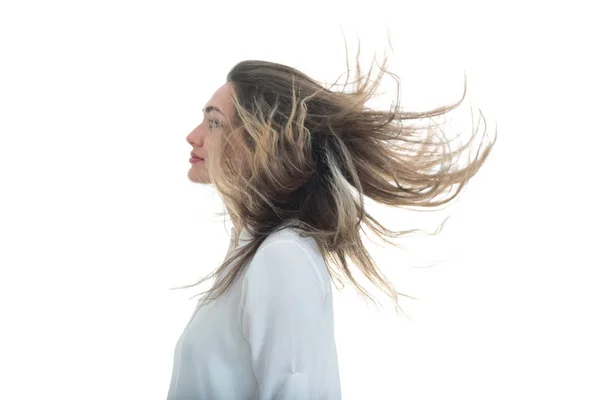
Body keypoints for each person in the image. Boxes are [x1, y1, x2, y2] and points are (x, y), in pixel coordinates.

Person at [167, 49, 496, 399]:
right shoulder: (250, 254)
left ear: (260, 139)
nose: (194, 135)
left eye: (214, 122)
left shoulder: (282, 257)